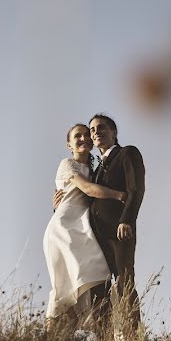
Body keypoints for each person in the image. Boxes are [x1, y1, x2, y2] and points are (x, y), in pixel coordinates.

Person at [52, 113, 146, 338]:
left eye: (101, 128)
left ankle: (134, 338)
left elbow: (136, 190)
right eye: (92, 130)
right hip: (94, 236)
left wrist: (126, 220)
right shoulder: (95, 171)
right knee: (98, 289)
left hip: (119, 231)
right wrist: (58, 202)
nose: (96, 133)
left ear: (114, 132)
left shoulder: (127, 153)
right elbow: (81, 193)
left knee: (124, 282)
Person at [44, 123, 126, 328]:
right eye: (77, 136)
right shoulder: (67, 164)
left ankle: (98, 333)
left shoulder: (94, 170)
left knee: (95, 276)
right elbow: (88, 189)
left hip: (83, 229)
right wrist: (119, 195)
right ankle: (50, 337)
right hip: (65, 229)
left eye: (86, 135)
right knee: (68, 284)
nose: (83, 139)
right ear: (69, 144)